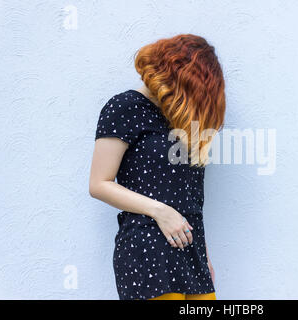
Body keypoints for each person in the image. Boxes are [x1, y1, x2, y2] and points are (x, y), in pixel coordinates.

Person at [89, 34, 226, 300]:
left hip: (191, 250)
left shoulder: (183, 119)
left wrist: (203, 251)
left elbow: (192, 196)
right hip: (149, 250)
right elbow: (99, 184)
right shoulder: (125, 107)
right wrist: (161, 211)